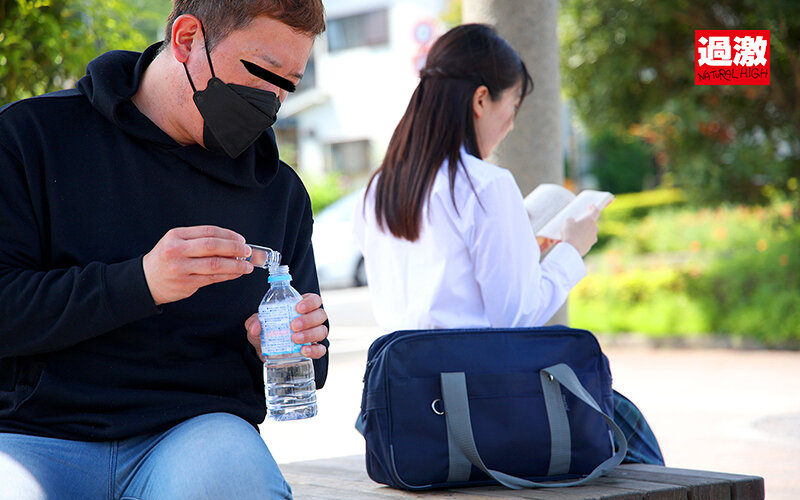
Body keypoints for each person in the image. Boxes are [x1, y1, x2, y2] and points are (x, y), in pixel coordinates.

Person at [0, 1, 329, 498]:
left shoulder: (278, 191)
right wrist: (142, 282)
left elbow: (311, 363)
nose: (271, 99)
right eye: (261, 72)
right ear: (187, 38)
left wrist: (285, 345)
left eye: (287, 84)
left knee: (235, 482)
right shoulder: (30, 138)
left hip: (197, 434)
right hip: (32, 435)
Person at [353, 23, 663, 465]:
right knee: (629, 434)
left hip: (407, 413)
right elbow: (517, 316)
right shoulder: (485, 185)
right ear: (481, 99)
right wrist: (571, 248)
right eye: (513, 105)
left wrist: (525, 253)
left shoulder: (378, 187)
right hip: (480, 404)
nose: (512, 123)